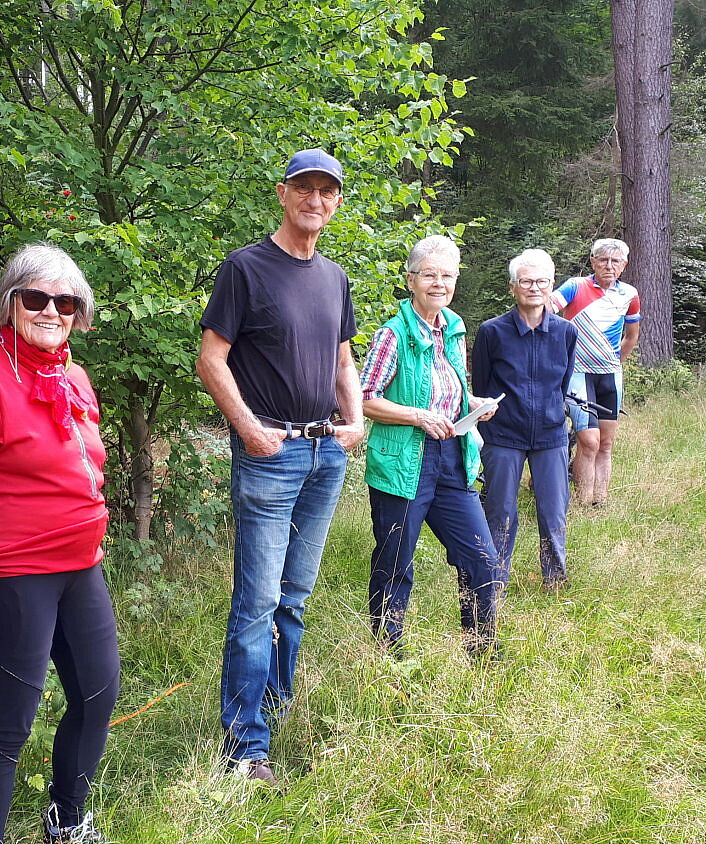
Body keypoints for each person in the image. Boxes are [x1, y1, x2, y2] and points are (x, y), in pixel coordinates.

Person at [0, 243, 118, 844]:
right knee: (11, 721)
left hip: (80, 568)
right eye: (35, 298)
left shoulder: (75, 377)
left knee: (97, 696)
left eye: (64, 301)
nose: (51, 311)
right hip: (15, 574)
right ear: (9, 305)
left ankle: (66, 822)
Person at [196, 148, 364, 784]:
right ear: (282, 194)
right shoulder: (245, 269)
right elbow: (212, 360)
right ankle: (245, 749)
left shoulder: (334, 276)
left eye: (326, 192)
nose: (314, 201)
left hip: (327, 454)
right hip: (272, 453)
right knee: (258, 599)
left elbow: (343, 360)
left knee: (294, 597)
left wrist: (355, 423)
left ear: (336, 202)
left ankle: (276, 707)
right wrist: (249, 428)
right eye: (304, 190)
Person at [360, 235, 503, 658]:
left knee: (481, 557)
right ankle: (389, 658)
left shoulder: (454, 329)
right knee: (395, 563)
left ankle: (482, 651)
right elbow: (366, 399)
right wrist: (418, 416)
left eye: (447, 276)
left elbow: (451, 389)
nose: (439, 283)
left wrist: (474, 404)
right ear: (411, 280)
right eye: (429, 275)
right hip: (402, 463)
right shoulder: (392, 334)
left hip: (453, 460)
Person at [471, 249, 578, 596]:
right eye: (526, 281)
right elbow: (481, 386)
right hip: (502, 435)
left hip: (550, 434)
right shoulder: (492, 332)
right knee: (500, 511)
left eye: (542, 281)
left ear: (551, 286)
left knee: (554, 512)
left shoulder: (565, 332)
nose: (534, 288)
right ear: (513, 287)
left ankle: (555, 582)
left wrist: (551, 415)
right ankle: (493, 581)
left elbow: (563, 384)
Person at [551, 238, 641, 507]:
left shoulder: (630, 294)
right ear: (592, 261)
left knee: (606, 443)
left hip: (611, 375)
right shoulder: (575, 286)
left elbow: (631, 336)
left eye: (615, 261)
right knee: (589, 441)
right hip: (578, 373)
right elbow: (544, 311)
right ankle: (582, 501)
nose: (609, 266)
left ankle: (599, 503)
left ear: (624, 265)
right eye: (603, 260)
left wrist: (616, 361)